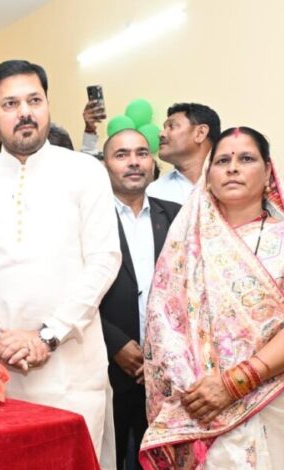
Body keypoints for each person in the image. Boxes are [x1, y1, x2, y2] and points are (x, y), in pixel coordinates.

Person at [0, 59, 120, 468]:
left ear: (47, 105)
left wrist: (48, 336)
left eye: (34, 100)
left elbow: (104, 260)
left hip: (72, 370)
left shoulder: (85, 172)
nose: (24, 112)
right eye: (10, 103)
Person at [140, 127, 284, 469]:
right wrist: (195, 392)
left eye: (246, 158)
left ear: (268, 172)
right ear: (208, 176)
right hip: (196, 407)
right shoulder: (186, 247)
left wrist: (234, 383)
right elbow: (165, 329)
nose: (233, 168)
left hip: (272, 402)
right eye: (223, 161)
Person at [98, 129, 181, 470]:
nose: (134, 162)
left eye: (142, 153)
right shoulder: (89, 219)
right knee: (107, 459)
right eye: (122, 155)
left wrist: (159, 354)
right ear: (104, 165)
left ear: (152, 162)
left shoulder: (176, 216)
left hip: (167, 372)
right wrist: (115, 344)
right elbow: (70, 289)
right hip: (106, 365)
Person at [146, 103, 220, 204]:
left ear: (200, 133)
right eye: (164, 128)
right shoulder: (153, 193)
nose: (161, 134)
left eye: (172, 126)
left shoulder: (231, 182)